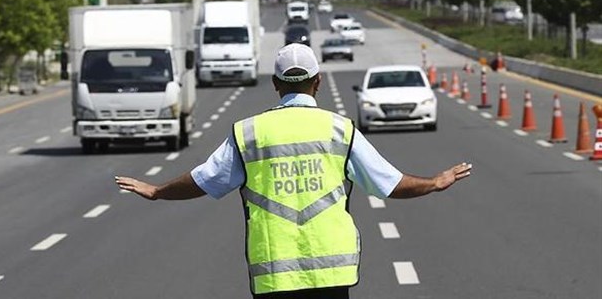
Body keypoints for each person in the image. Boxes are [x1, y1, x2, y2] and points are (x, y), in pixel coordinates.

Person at [115, 43, 472, 299]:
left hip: (274, 274)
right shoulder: (339, 129)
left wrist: (157, 190)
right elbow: (389, 184)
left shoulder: (249, 133)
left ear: (276, 85)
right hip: (332, 273)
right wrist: (435, 182)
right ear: (317, 83)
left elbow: (205, 180)